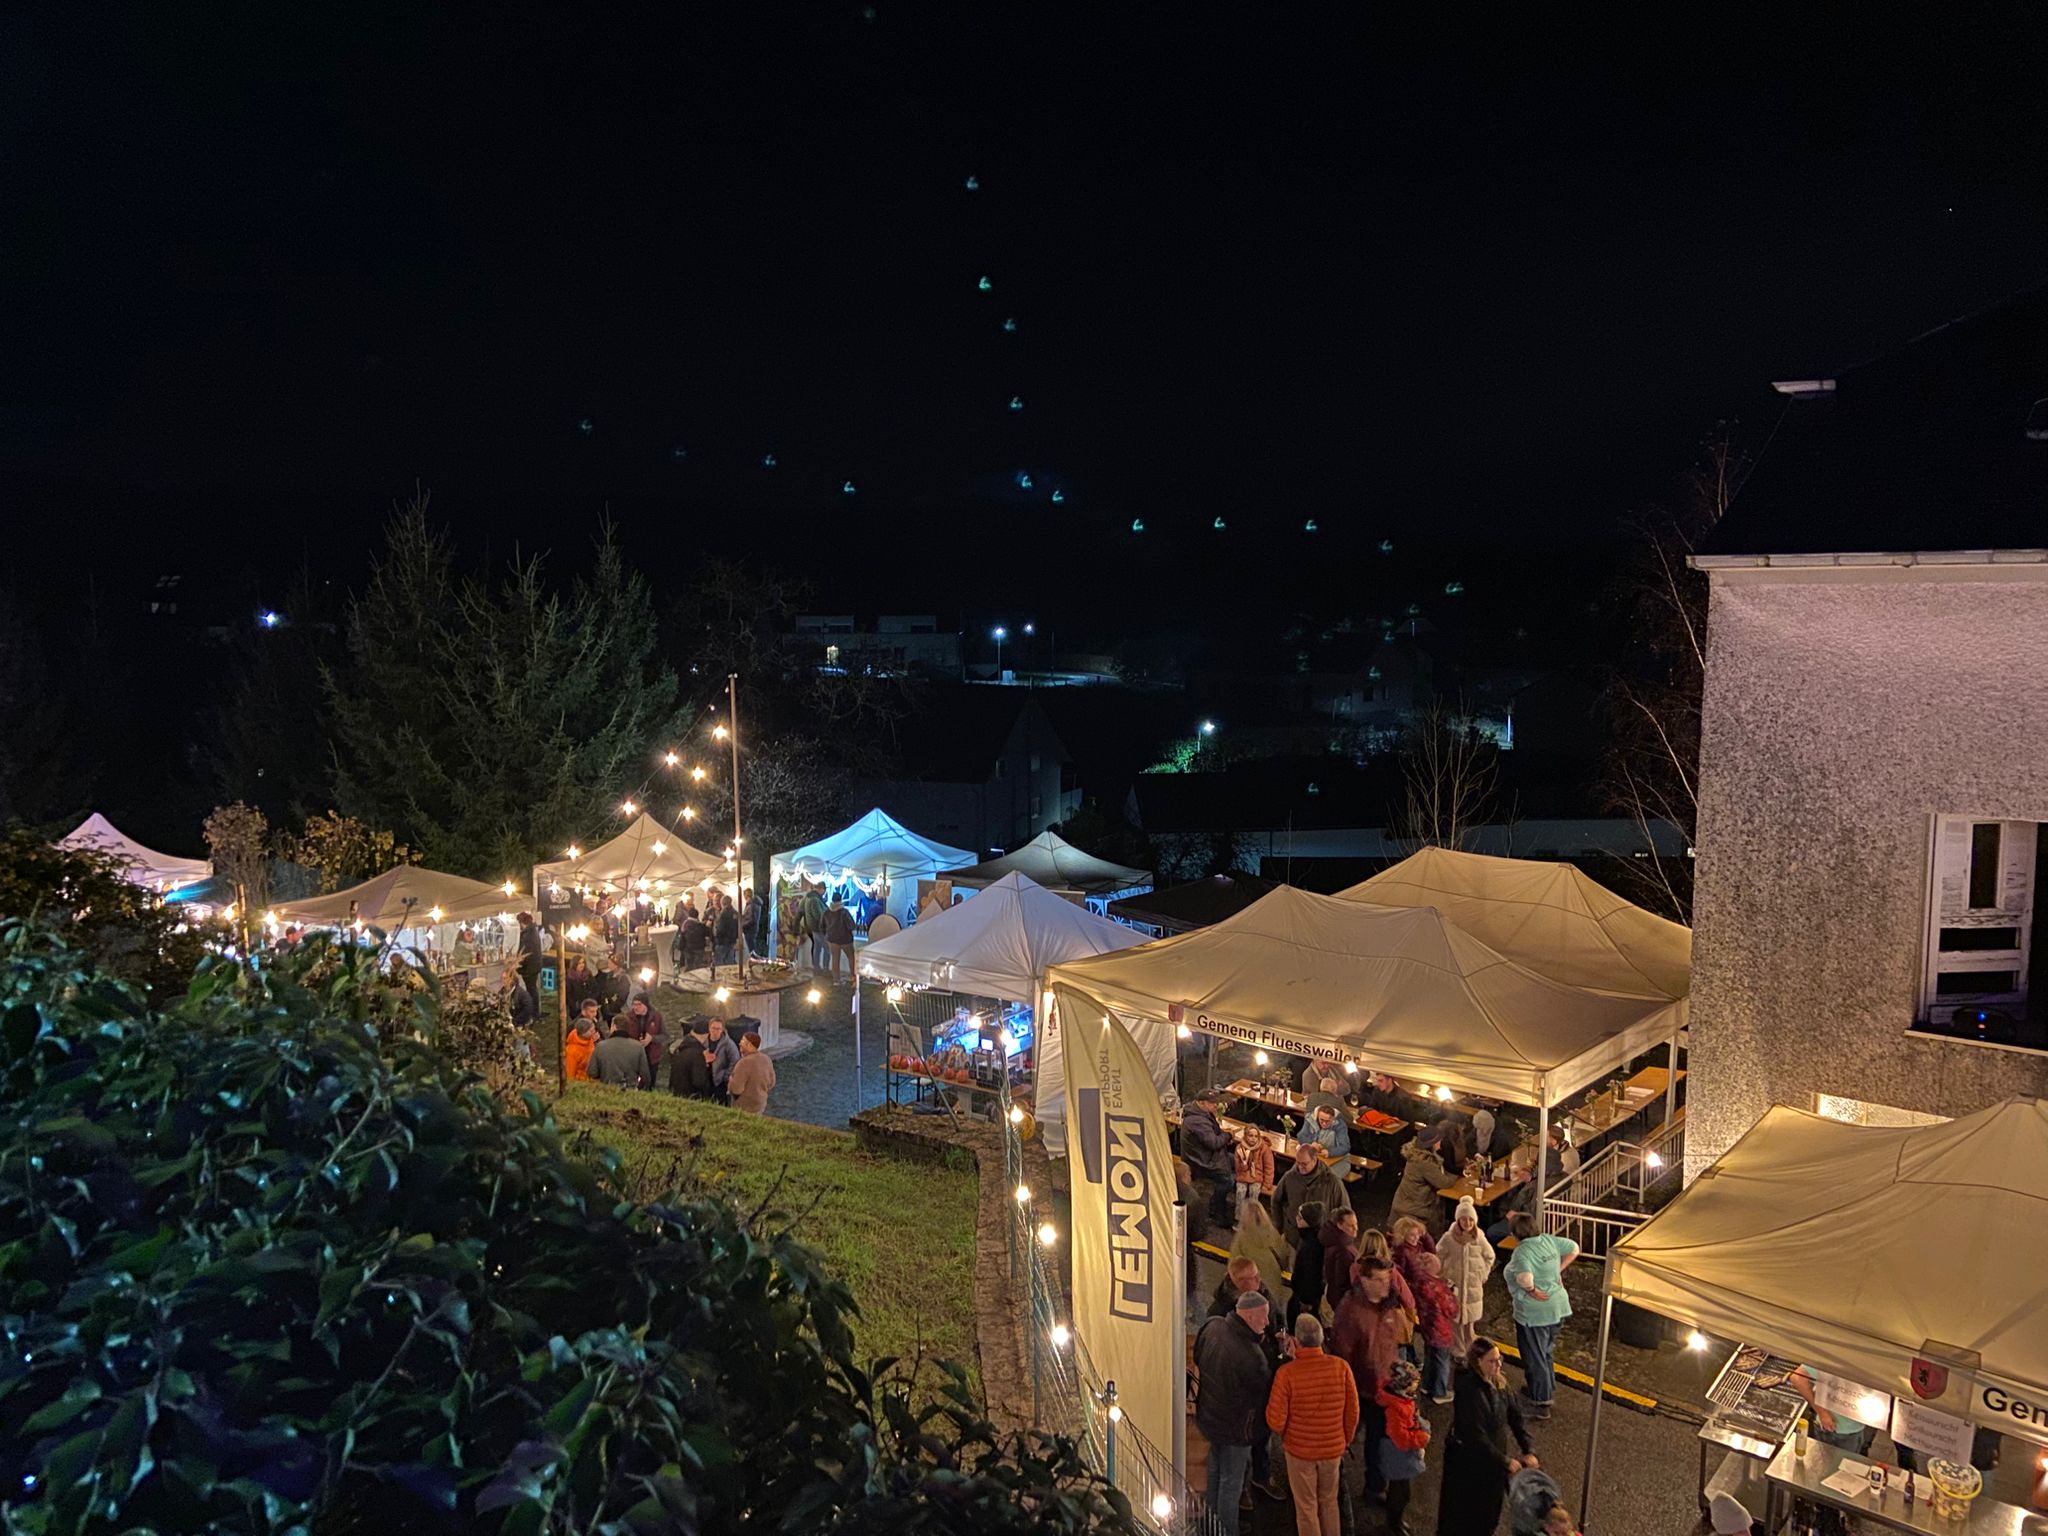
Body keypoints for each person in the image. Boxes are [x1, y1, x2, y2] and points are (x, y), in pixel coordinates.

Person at [1266, 1312, 1357, 1536]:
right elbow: (1352, 1412)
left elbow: (1275, 1421)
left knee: (1306, 1506)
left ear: (1296, 1340)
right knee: (1329, 1501)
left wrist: (1287, 1435)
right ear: (1321, 1338)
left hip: (1300, 1452)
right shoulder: (1341, 1367)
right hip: (1332, 1450)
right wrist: (1344, 1440)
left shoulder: (1286, 1374)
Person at [1207, 1255, 1289, 1500]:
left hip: (1265, 1378)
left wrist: (1280, 1338)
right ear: (1238, 1283)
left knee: (1263, 1433)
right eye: (1253, 1278)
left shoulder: (1263, 1294)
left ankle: (1261, 1476)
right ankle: (1240, 1485)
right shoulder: (1220, 1311)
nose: (1259, 1280)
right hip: (1239, 1389)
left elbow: (1278, 1321)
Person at [1435, 1337, 1535, 1536]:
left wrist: (1528, 1448)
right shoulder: (1470, 1391)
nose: (1498, 1365)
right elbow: (1475, 1435)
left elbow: (1516, 1417)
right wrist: (1505, 1461)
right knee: (1463, 1514)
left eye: (1499, 1359)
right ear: (1478, 1361)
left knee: (1489, 1513)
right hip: (1468, 1464)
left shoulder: (1500, 1384)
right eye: (1492, 1361)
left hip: (1491, 1463)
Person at [1194, 1290, 1275, 1536]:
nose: (1267, 1322)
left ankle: (1209, 1527)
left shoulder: (1213, 1326)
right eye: (1263, 1316)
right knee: (1231, 1485)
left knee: (1214, 1474)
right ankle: (1227, 1531)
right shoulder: (1251, 1355)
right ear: (1249, 1316)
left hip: (1210, 1419)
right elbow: (1265, 1391)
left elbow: (1197, 1356)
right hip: (1237, 1430)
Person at [1331, 1257, 1409, 1504]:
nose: (1386, 1284)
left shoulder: (1389, 1306)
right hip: (1359, 1389)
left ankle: (1374, 1487)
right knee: (1344, 1437)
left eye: (1388, 1278)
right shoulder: (1350, 1311)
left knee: (1379, 1439)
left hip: (1384, 1389)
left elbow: (1392, 1343)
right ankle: (1330, 1483)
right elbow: (1342, 1354)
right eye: (1380, 1279)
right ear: (1364, 1280)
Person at [1502, 1211, 1579, 1419]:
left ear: (1515, 1234)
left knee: (1534, 1356)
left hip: (1535, 1314)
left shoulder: (1522, 1252)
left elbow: (1525, 1278)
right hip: (1558, 1307)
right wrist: (1558, 1270)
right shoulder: (1548, 1240)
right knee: (1545, 1352)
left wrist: (1532, 1290)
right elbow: (1574, 1247)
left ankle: (1541, 1401)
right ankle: (1543, 1388)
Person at [1376, 1358, 1431, 1535]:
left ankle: (1395, 1520)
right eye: (1414, 1382)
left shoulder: (1400, 1400)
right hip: (1398, 1455)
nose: (1416, 1385)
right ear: (1404, 1384)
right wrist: (1421, 1438)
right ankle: (1394, 1523)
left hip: (1400, 1454)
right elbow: (1401, 1438)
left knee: (1400, 1491)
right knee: (1400, 1493)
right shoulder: (1395, 1408)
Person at [1439, 1195, 1496, 1360]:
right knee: (1456, 1323)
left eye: (1470, 1220)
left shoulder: (1479, 1239)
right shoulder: (1448, 1238)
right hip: (1454, 1288)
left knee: (1469, 1325)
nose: (1467, 1223)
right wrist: (1443, 1276)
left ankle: (1470, 1353)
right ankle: (1458, 1353)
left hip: (1472, 1290)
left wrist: (1482, 1274)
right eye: (1464, 1219)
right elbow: (1438, 1256)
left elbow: (1490, 1256)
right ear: (1458, 1220)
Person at [1180, 1088, 1239, 1227]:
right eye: (1212, 1103)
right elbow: (1214, 1143)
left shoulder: (1201, 1113)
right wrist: (1228, 1136)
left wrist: (1224, 1136)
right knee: (1227, 1180)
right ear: (1201, 1103)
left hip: (1204, 1154)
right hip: (1200, 1161)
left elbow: (1213, 1134)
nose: (1216, 1105)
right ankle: (1216, 1209)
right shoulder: (1197, 1121)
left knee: (1236, 1161)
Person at [1790, 1364, 1877, 1455]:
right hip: (1846, 1429)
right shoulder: (1865, 1363)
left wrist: (1822, 1413)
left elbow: (1797, 1378)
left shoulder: (1829, 1359)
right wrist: (1822, 1413)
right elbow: (1797, 1378)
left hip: (1829, 1424)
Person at [1410, 1250, 1460, 1405]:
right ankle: (1439, 1392)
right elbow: (1451, 1309)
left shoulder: (1418, 1281)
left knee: (1430, 1356)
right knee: (1442, 1361)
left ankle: (1427, 1385)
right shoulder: (1437, 1288)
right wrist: (1453, 1293)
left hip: (1427, 1327)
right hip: (1440, 1329)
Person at [1274, 1142, 1346, 1247]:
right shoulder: (1289, 1177)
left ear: (1314, 1160)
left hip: (1319, 1241)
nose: (1300, 1167)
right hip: (1293, 1238)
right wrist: (1279, 1227)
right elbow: (1276, 1200)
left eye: (1304, 1164)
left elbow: (1344, 1210)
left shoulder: (1331, 1182)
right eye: (1298, 1163)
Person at [1228, 1196, 1293, 1311]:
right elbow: (1283, 1255)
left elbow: (1234, 1266)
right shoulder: (1272, 1233)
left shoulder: (1241, 1239)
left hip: (1252, 1290)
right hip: (1273, 1286)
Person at [1391, 1126, 1458, 1237]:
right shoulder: (1425, 1162)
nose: (1440, 1142)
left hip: (1405, 1204)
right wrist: (1458, 1176)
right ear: (1432, 1144)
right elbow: (1443, 1183)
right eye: (1438, 1140)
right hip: (1412, 1211)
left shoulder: (1417, 1155)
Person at [1289, 1200, 1328, 1327]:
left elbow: (1310, 1276)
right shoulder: (1309, 1238)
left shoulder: (1310, 1246)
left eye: (1300, 1218)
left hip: (1305, 1298)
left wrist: (1306, 1301)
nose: (1296, 1218)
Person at [590, 1018, 652, 1089]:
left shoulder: (601, 1046)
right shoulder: (638, 1047)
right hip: (630, 1090)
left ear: (614, 1026)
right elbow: (645, 1075)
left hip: (607, 1090)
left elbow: (592, 1072)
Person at [1319, 1208, 1361, 1310]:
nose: (1356, 1228)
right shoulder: (1343, 1249)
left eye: (1356, 1224)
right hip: (1342, 1302)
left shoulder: (1334, 1240)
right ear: (1339, 1225)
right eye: (1351, 1225)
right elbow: (1342, 1282)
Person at [727, 1031, 776, 1113]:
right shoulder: (766, 1059)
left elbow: (736, 1089)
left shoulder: (744, 1063)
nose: (739, 1043)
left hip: (744, 1106)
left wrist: (731, 1081)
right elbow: (772, 1083)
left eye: (742, 1041)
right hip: (760, 1104)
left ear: (749, 1044)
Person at [1300, 1103, 1351, 1177]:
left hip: (1339, 1161)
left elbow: (1345, 1146)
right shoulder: (1310, 1119)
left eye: (1327, 1121)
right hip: (1317, 1159)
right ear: (1317, 1116)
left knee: (1325, 1178)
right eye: (1322, 1120)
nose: (1324, 1123)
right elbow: (1301, 1136)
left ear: (1333, 1119)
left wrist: (1329, 1152)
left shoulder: (1340, 1125)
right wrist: (1311, 1143)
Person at [668, 1020, 715, 1097]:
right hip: (689, 1095)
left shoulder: (681, 1047)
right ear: (706, 1035)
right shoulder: (698, 1054)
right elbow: (699, 1081)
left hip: (677, 1092)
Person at [628, 995, 666, 1089]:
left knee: (650, 1083)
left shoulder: (657, 1017)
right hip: (634, 1056)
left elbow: (664, 1036)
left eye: (639, 1004)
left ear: (646, 1005)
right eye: (634, 1004)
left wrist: (652, 1038)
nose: (635, 1007)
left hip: (651, 1057)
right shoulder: (629, 1017)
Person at [1233, 1126, 1275, 1207]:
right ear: (1245, 1136)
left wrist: (1267, 1184)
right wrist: (1244, 1164)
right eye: (1251, 1136)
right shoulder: (1240, 1148)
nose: (1253, 1138)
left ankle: (1252, 1213)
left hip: (1257, 1177)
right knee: (1240, 1192)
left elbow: (1269, 1168)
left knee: (1254, 1192)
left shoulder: (1264, 1148)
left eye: (1256, 1136)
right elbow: (1238, 1168)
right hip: (1243, 1176)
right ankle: (1239, 1213)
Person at [705, 1017, 741, 1103]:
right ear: (709, 1028)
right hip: (705, 1077)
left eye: (718, 1029)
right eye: (713, 1028)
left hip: (720, 1080)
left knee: (721, 1102)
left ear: (722, 1030)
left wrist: (725, 1076)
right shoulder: (704, 1041)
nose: (715, 1031)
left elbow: (735, 1061)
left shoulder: (728, 1044)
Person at [821, 894, 855, 980]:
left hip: (832, 939)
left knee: (835, 959)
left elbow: (822, 926)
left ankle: (836, 980)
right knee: (851, 957)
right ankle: (853, 977)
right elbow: (851, 925)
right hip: (845, 939)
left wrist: (826, 935)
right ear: (841, 900)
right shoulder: (844, 912)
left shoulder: (826, 912)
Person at [564, 1004, 601, 1082]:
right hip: (581, 1082)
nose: (594, 1032)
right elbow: (570, 1075)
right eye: (591, 1031)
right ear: (583, 1033)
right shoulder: (572, 1051)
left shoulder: (590, 1040)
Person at [799, 881, 829, 971]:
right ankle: (825, 968)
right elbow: (819, 915)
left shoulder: (811, 897)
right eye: (824, 890)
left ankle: (816, 967)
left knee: (817, 948)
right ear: (821, 889)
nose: (824, 892)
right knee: (827, 948)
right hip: (818, 928)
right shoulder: (814, 899)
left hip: (813, 927)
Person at [515, 911, 543, 998]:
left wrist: (518, 966)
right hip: (534, 966)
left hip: (529, 968)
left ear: (521, 922)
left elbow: (525, 953)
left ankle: (532, 1006)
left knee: (531, 990)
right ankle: (533, 1005)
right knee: (533, 988)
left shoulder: (527, 935)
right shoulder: (533, 931)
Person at [713, 897, 742, 967]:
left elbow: (720, 928)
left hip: (722, 941)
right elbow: (739, 927)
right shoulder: (736, 913)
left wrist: (716, 935)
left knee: (720, 964)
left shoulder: (723, 913)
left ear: (722, 903)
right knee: (730, 963)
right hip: (732, 941)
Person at [741, 885, 765, 956]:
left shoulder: (751, 905)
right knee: (752, 948)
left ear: (746, 895)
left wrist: (742, 925)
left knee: (752, 950)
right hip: (752, 929)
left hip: (750, 930)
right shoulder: (755, 904)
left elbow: (751, 919)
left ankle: (755, 960)